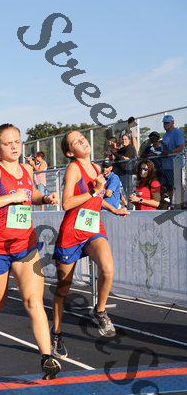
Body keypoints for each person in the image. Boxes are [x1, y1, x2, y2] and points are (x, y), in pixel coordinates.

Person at [0, 123, 61, 379]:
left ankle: (47, 357)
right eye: (8, 143)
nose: (14, 146)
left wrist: (44, 198)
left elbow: (30, 194)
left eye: (17, 142)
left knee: (34, 301)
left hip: (25, 245)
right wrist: (10, 197)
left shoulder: (26, 169)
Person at [52, 131, 128, 358]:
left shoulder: (96, 168)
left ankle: (100, 310)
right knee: (63, 289)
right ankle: (56, 333)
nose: (83, 141)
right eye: (76, 141)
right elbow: (67, 203)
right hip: (72, 232)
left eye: (82, 137)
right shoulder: (74, 168)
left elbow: (97, 198)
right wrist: (93, 190)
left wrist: (113, 209)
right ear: (70, 152)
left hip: (93, 228)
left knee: (108, 268)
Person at [160, 114, 185, 197]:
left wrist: (169, 152)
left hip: (175, 165)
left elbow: (181, 147)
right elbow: (165, 149)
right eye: (164, 123)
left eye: (167, 123)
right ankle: (171, 202)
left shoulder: (177, 132)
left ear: (172, 123)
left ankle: (182, 202)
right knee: (169, 187)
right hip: (166, 165)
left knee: (177, 185)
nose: (165, 124)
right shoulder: (165, 135)